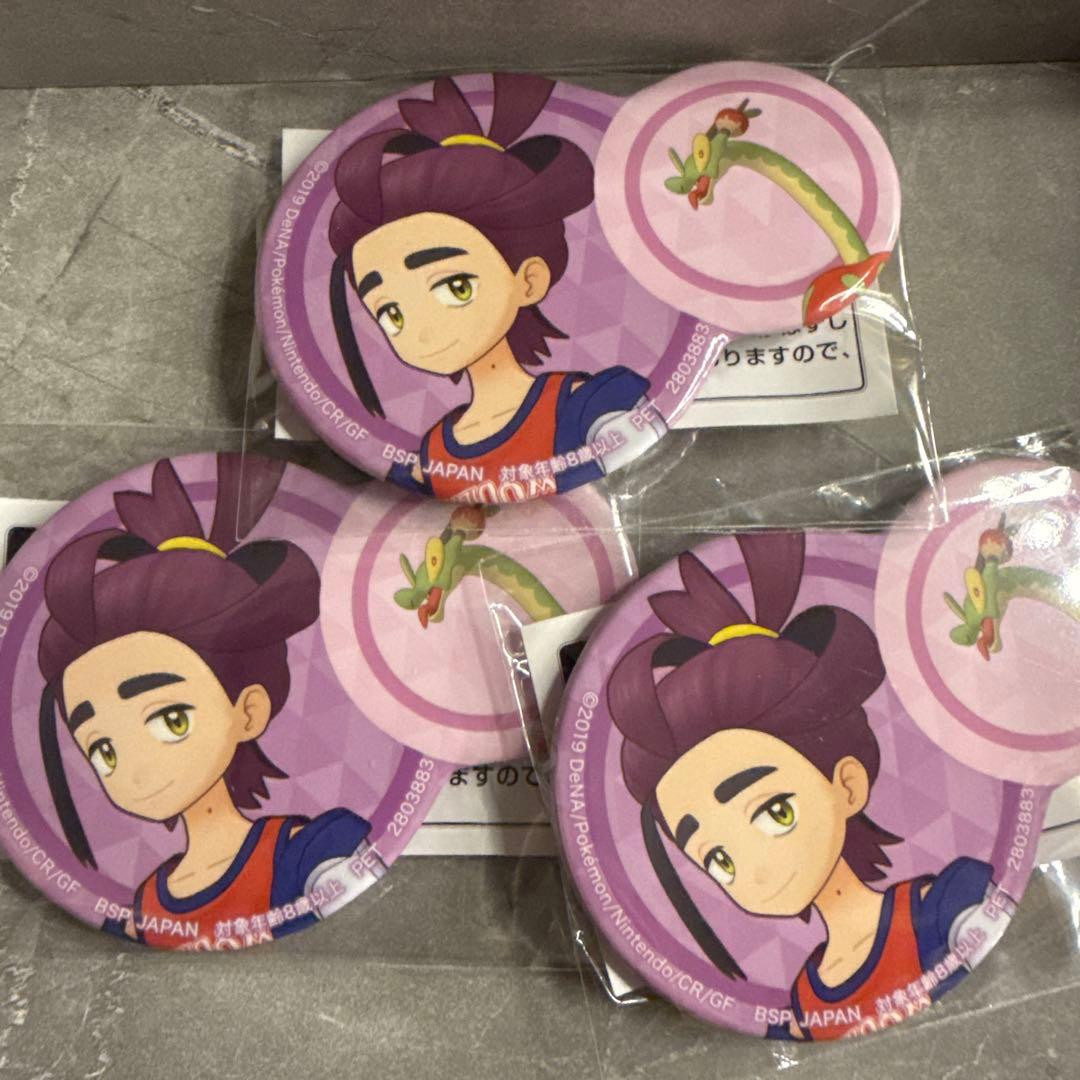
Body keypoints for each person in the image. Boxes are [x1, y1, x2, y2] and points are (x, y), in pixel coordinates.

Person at [607, 535, 1007, 1038]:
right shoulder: (801, 1001)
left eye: (774, 812)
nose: (754, 871)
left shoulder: (948, 908)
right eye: (718, 859)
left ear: (847, 784)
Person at [37, 454, 372, 949]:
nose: (136, 772)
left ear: (248, 711)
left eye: (170, 719)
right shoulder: (143, 902)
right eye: (103, 750)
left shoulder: (311, 855)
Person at [328, 73, 660, 501]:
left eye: (454, 287)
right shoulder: (433, 450)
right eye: (391, 313)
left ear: (529, 280)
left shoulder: (589, 407)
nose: (421, 331)